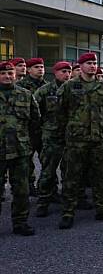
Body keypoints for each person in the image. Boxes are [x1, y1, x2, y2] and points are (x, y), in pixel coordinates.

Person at [56, 52, 103, 229]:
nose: (92, 66)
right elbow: (60, 113)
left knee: (99, 176)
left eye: (94, 63)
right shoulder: (69, 87)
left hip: (98, 139)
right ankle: (68, 213)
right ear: (80, 65)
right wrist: (69, 131)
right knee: (72, 177)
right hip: (76, 140)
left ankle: (102, 209)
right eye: (89, 63)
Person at [0, 60, 40, 235]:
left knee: (21, 189)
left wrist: (27, 140)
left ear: (15, 75)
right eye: (3, 73)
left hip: (20, 150)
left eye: (10, 73)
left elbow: (35, 120)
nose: (7, 76)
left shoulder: (25, 94)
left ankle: (20, 222)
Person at [33, 61, 72, 217]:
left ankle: (69, 201)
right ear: (55, 73)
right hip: (51, 137)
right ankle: (43, 202)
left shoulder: (75, 90)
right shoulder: (45, 91)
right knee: (48, 172)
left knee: (69, 172)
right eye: (63, 71)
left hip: (71, 136)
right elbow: (34, 113)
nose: (67, 74)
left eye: (69, 71)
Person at [18, 58, 46, 197]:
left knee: (47, 161)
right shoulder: (20, 86)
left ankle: (46, 188)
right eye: (36, 67)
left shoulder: (48, 86)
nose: (40, 69)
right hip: (27, 131)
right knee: (27, 162)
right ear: (29, 70)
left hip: (44, 131)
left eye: (41, 66)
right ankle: (29, 186)